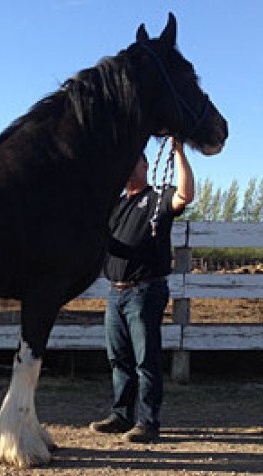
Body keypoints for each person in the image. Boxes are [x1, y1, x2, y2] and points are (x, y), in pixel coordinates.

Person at [89, 137, 194, 443]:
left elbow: (185, 195)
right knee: (118, 357)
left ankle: (148, 422)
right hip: (116, 291)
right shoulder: (117, 205)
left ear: (146, 166)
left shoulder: (159, 198)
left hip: (145, 291)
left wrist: (178, 151)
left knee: (145, 358)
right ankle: (122, 415)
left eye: (133, 161)